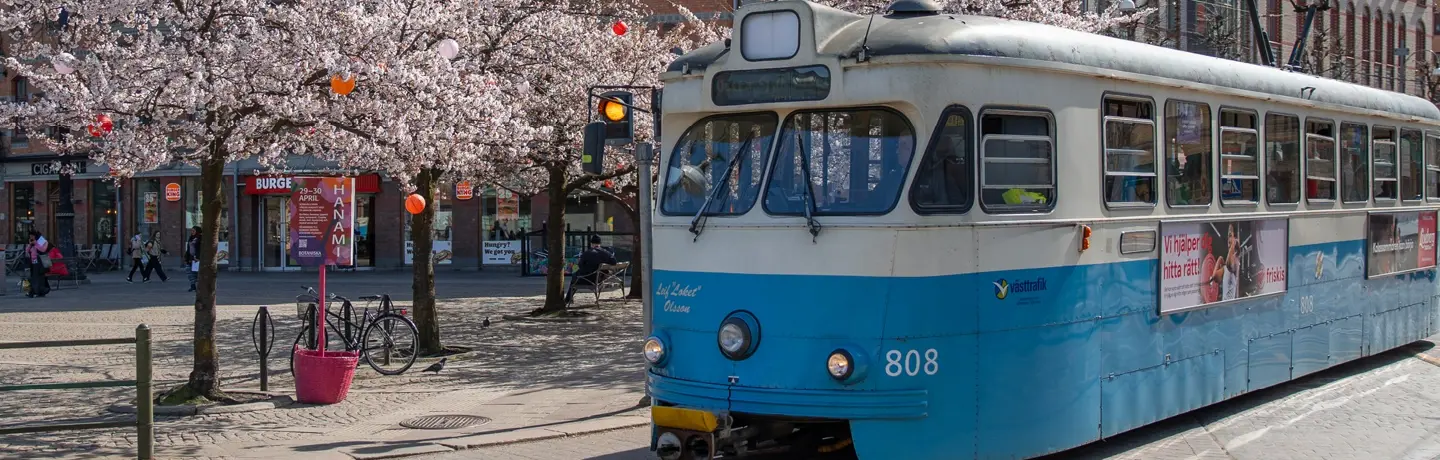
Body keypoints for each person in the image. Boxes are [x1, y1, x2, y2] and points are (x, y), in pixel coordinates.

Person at [564, 235, 618, 304]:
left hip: (586, 280)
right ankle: (569, 299)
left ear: (591, 243)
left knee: (574, 275)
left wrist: (573, 270)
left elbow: (579, 266)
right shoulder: (606, 253)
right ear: (600, 243)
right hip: (599, 280)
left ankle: (568, 299)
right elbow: (614, 262)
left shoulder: (587, 253)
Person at [25, 231, 51, 298]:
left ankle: (39, 291)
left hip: (40, 263)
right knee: (34, 278)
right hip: (33, 263)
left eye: (32, 236)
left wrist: (36, 244)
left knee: (39, 278)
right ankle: (33, 291)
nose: (31, 238)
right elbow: (27, 251)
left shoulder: (43, 242)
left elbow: (43, 250)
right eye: (30, 236)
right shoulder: (31, 243)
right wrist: (30, 244)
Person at [184, 226, 200, 292]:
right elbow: (189, 249)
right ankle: (193, 286)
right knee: (189, 271)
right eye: (191, 231)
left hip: (197, 258)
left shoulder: (200, 238)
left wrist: (198, 257)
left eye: (194, 231)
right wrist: (186, 257)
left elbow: (200, 248)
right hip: (190, 258)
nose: (192, 232)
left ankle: (199, 287)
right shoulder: (191, 238)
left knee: (197, 273)